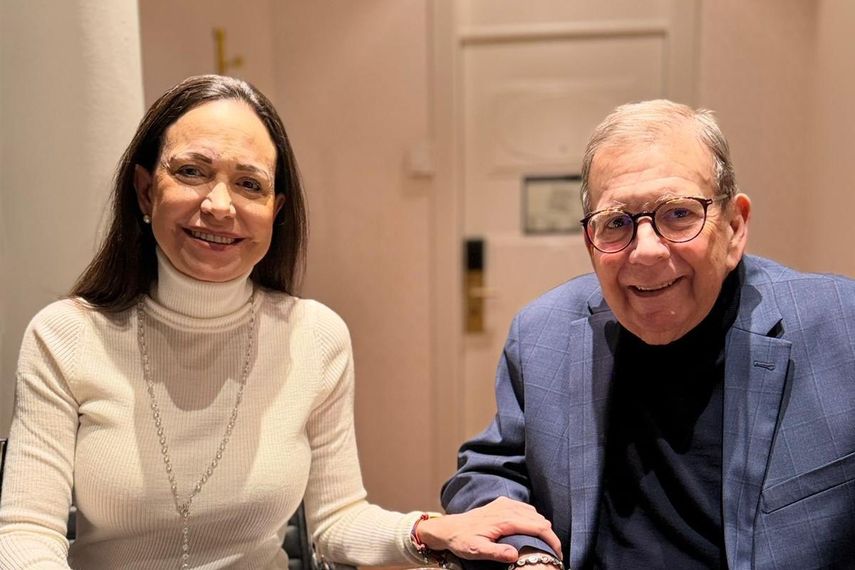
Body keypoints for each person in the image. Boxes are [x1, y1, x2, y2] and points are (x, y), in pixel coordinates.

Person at [0, 75, 561, 569]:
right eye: (192, 172)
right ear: (147, 191)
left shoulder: (314, 337)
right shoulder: (66, 336)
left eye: (250, 184)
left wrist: (423, 530)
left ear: (276, 210)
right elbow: (26, 532)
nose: (220, 205)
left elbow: (337, 520)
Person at [441, 99, 855, 569]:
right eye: (616, 223)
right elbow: (489, 469)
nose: (646, 252)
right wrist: (529, 553)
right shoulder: (543, 333)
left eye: (678, 214)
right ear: (590, 242)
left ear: (735, 227)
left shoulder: (843, 328)